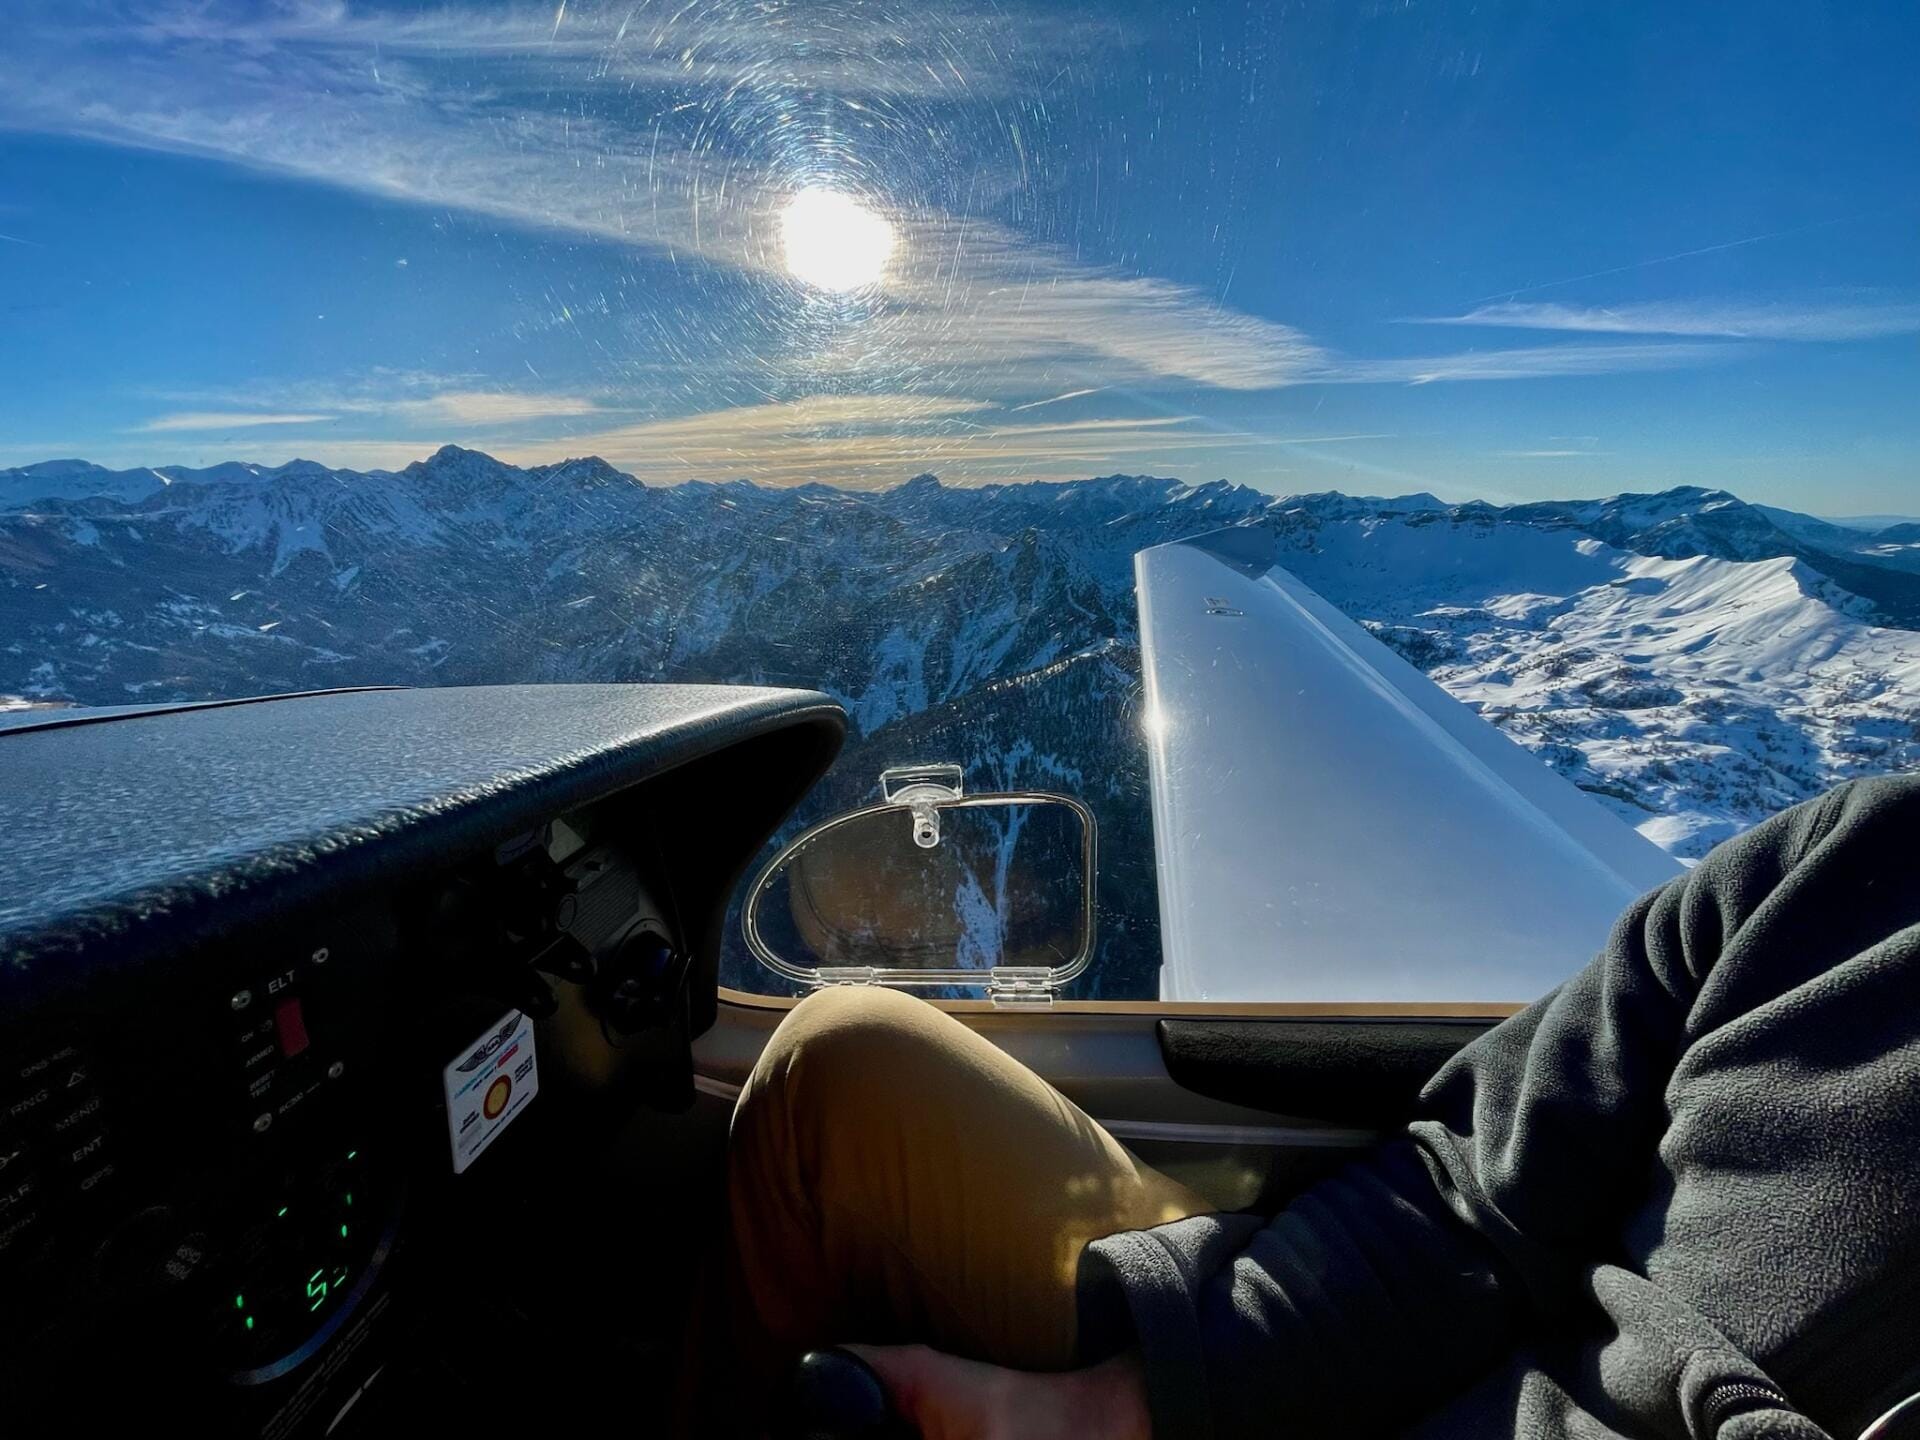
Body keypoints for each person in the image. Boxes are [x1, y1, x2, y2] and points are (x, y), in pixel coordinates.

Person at [727, 776, 1920, 1439]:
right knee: (849, 1064)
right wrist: (1126, 1404)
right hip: (1430, 1387)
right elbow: (1474, 1194)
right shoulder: (1857, 867)